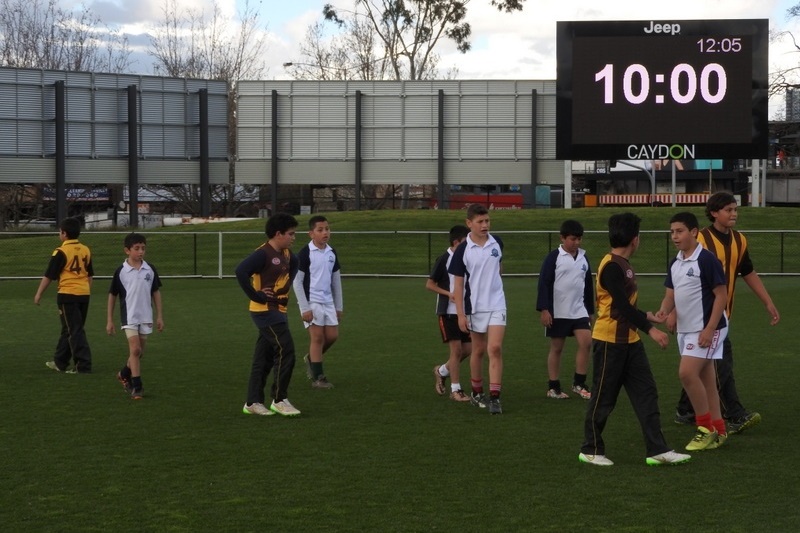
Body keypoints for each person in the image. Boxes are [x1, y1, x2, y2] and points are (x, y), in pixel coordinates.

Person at [578, 213, 690, 467]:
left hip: (629, 341)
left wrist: (648, 315)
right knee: (604, 397)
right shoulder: (611, 266)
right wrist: (651, 329)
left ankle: (657, 449)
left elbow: (625, 307)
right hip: (609, 343)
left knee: (646, 393)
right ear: (634, 239)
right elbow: (622, 308)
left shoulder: (622, 263)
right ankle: (590, 448)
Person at [672, 192, 780, 434]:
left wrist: (767, 301)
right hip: (704, 317)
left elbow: (748, 271)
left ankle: (685, 409)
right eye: (728, 210)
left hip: (720, 316)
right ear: (713, 213)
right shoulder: (700, 239)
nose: (733, 214)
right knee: (720, 363)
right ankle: (734, 414)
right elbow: (684, 277)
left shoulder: (740, 240)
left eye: (735, 209)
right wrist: (673, 311)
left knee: (700, 366)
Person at [654, 212, 728, 451]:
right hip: (686, 330)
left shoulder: (706, 260)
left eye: (680, 231)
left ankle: (704, 428)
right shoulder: (676, 262)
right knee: (706, 381)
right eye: (672, 231)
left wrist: (709, 329)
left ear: (694, 232)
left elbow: (721, 296)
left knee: (686, 374)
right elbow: (670, 295)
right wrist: (665, 312)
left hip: (707, 329)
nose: (674, 236)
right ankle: (719, 430)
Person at [236, 213, 302, 417]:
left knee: (263, 358)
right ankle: (280, 399)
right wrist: (257, 296)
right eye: (290, 234)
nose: (294, 238)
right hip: (264, 312)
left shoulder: (290, 255)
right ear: (278, 234)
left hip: (279, 312)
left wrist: (281, 295)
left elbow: (291, 272)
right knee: (286, 349)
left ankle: (252, 402)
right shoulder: (262, 254)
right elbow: (240, 271)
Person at [449, 204, 506, 415]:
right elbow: (458, 285)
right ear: (469, 223)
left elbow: (499, 267)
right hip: (474, 308)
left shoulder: (497, 242)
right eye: (480, 222)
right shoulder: (463, 250)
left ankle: (495, 397)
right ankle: (476, 392)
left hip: (497, 304)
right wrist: (461, 315)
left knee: (495, 348)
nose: (485, 225)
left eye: (487, 221)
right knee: (479, 350)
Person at [536, 219, 594, 400]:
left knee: (586, 342)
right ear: (562, 238)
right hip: (558, 311)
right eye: (572, 239)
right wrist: (544, 309)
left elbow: (588, 286)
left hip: (579, 310)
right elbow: (544, 283)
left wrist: (590, 311)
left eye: (579, 239)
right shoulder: (554, 257)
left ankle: (579, 383)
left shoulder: (584, 258)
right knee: (557, 348)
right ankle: (553, 387)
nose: (576, 243)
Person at [106, 233, 164, 400]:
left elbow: (156, 292)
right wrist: (109, 320)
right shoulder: (121, 271)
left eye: (143, 248)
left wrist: (159, 316)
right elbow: (112, 295)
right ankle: (137, 386)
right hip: (129, 316)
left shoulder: (150, 269)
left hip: (146, 315)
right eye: (137, 248)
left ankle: (124, 373)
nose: (141, 252)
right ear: (127, 250)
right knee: (135, 349)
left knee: (139, 353)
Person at [34, 217, 94, 374]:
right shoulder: (86, 249)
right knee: (70, 329)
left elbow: (49, 275)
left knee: (74, 330)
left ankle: (83, 365)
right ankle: (60, 362)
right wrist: (86, 291)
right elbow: (89, 275)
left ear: (64, 233)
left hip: (68, 295)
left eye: (60, 232)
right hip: (83, 294)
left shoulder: (61, 251)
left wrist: (39, 294)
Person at [293, 215, 343, 389]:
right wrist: (304, 308)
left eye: (327, 229)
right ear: (311, 233)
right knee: (317, 337)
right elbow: (297, 281)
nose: (325, 233)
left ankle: (312, 359)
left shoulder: (331, 252)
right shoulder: (305, 253)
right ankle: (318, 378)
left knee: (332, 336)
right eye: (320, 230)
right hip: (311, 301)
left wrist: (338, 306)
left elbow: (336, 281)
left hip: (328, 302)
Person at [426, 224, 472, 402]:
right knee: (457, 350)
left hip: (465, 312)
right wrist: (449, 294)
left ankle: (442, 371)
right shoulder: (444, 258)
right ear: (456, 242)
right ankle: (456, 390)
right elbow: (430, 284)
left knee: (468, 349)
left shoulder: (468, 258)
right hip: (448, 312)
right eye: (465, 241)